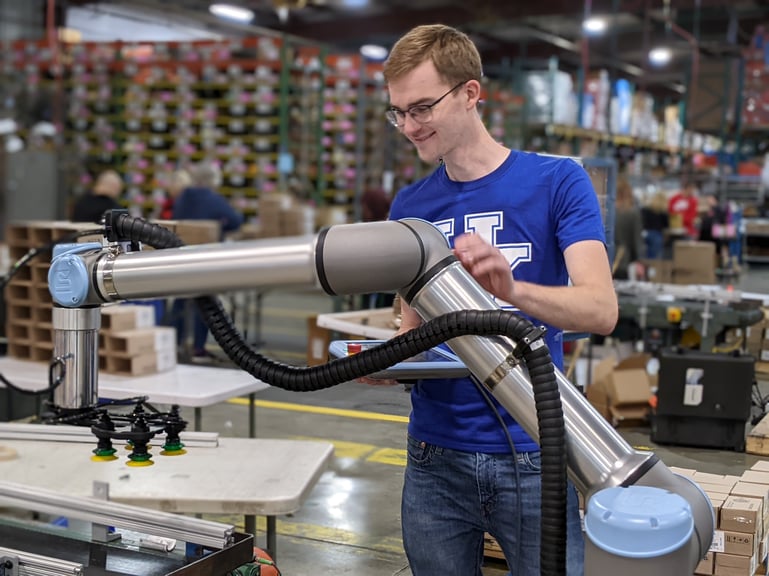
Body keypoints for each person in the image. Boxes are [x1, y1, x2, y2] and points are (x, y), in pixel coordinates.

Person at [377, 24, 618, 576]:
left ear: (469, 93)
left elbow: (600, 310)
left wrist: (511, 292)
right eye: (398, 113)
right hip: (433, 459)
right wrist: (390, 360)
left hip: (535, 451)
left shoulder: (558, 181)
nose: (409, 127)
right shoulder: (410, 207)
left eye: (421, 108)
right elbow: (412, 328)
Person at [169, 161, 243, 360]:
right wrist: (220, 227)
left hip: (180, 258)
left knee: (180, 300)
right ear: (212, 180)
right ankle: (198, 349)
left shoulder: (183, 197)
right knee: (205, 302)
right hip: (203, 261)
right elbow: (236, 220)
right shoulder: (213, 198)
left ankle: (173, 344)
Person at [613, 176, 644, 280]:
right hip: (623, 259)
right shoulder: (632, 212)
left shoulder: (607, 211)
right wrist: (639, 260)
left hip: (604, 258)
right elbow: (636, 240)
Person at [641, 190, 669, 260]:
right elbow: (666, 226)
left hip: (645, 234)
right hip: (656, 235)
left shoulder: (645, 209)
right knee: (655, 259)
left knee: (645, 256)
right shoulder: (663, 212)